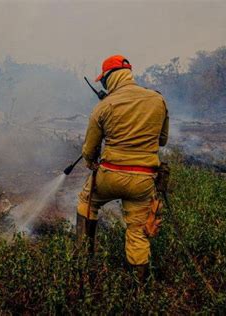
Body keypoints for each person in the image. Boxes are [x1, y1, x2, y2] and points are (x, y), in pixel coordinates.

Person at [76, 55, 169, 280]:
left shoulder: (103, 106)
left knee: (86, 203)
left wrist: (90, 162)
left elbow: (89, 151)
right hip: (143, 180)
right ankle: (140, 284)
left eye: (104, 80)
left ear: (109, 78)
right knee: (138, 232)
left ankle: (83, 263)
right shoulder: (158, 100)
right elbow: (162, 140)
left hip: (109, 176)